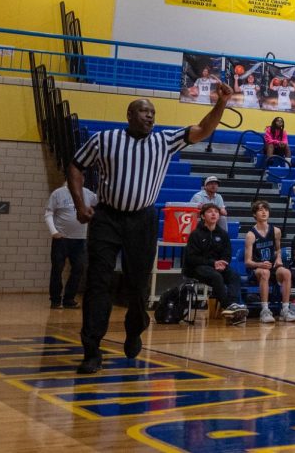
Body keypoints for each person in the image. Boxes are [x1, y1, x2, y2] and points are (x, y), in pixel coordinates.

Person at [69, 84, 233, 374]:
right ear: (130, 114)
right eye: (144, 111)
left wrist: (222, 102)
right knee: (98, 282)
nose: (150, 117)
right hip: (107, 217)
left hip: (142, 219)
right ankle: (92, 349)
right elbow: (75, 166)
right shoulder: (104, 139)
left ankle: (135, 329)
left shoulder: (165, 141)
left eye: (153, 113)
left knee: (137, 284)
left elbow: (203, 130)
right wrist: (80, 204)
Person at [184, 203, 247, 324]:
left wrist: (223, 263)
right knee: (216, 276)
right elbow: (191, 258)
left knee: (234, 275)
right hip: (197, 267)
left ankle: (233, 304)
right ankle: (228, 306)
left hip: (217, 266)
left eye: (216, 212)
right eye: (209, 211)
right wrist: (213, 263)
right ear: (202, 216)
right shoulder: (195, 234)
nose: (213, 214)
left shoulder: (223, 234)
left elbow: (227, 254)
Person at [45, 181, 97, 309]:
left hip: (79, 240)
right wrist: (54, 232)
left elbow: (101, 201)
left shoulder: (87, 193)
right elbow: (48, 214)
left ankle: (69, 299)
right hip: (61, 239)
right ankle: (55, 300)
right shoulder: (58, 193)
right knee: (57, 269)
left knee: (78, 269)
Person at [244, 200, 294, 324]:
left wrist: (278, 258)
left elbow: (277, 250)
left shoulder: (276, 231)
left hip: (272, 266)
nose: (264, 212)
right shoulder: (251, 235)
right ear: (254, 214)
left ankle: (285, 309)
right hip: (257, 269)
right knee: (265, 273)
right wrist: (259, 264)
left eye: (266, 209)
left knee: (287, 273)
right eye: (260, 210)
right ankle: (265, 310)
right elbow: (248, 261)